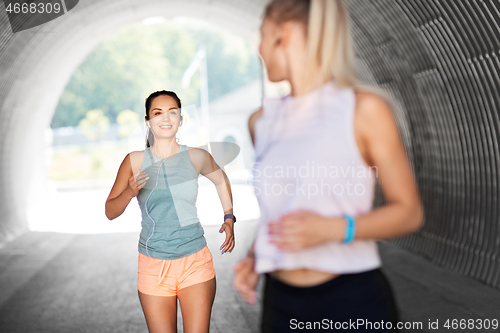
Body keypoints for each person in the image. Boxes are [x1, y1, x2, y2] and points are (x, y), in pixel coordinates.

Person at [233, 0, 424, 332]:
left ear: (284, 35)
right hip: (280, 304)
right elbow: (281, 207)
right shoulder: (261, 121)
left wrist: (337, 229)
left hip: (353, 300)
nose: (259, 49)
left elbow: (409, 212)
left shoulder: (364, 110)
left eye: (262, 37)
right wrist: (255, 256)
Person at [105, 90, 236, 333]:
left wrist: (229, 217)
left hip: (194, 261)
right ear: (148, 121)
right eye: (158, 113)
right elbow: (110, 211)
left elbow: (221, 179)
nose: (166, 118)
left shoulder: (196, 156)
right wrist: (129, 192)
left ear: (180, 119)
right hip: (153, 265)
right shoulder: (133, 161)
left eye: (172, 112)